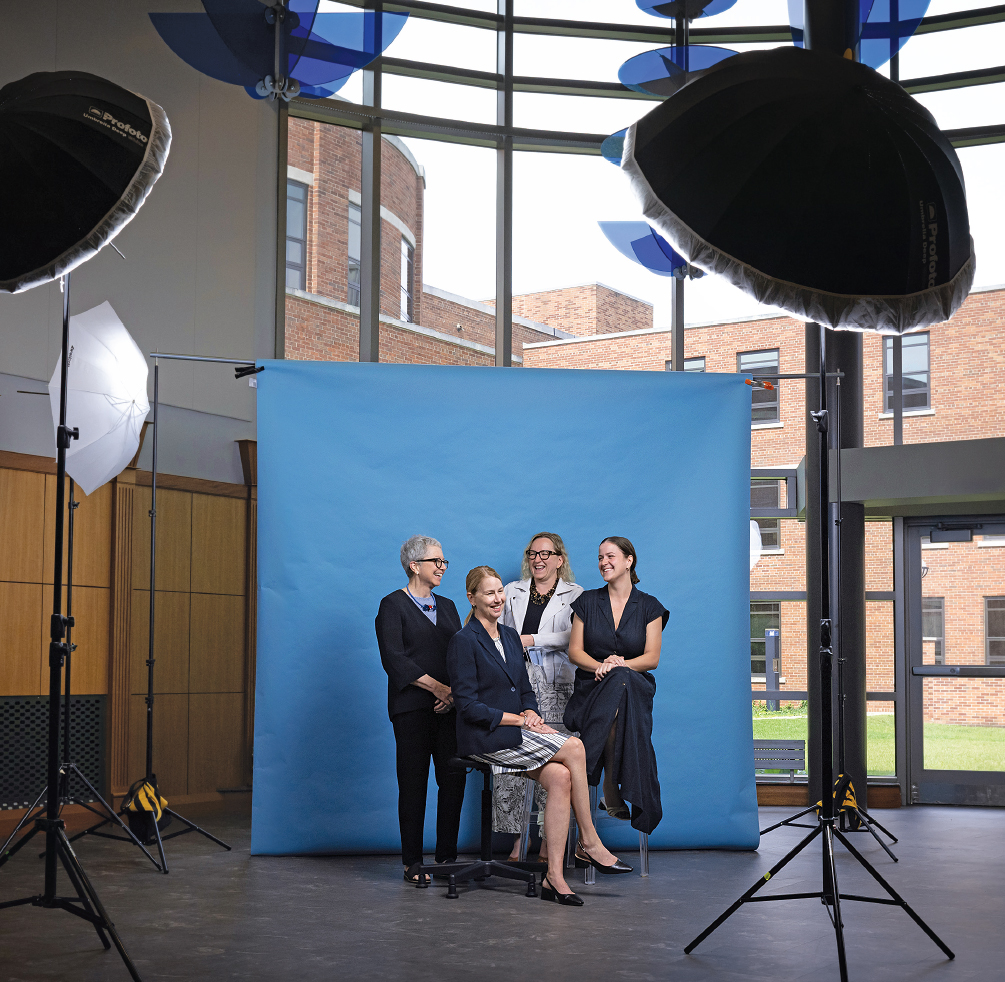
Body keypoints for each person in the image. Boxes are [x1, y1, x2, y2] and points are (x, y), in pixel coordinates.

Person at [448, 565, 631, 907]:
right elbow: (468, 706)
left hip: (515, 731)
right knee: (574, 746)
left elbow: (526, 690)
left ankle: (555, 878)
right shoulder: (463, 641)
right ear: (471, 598)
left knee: (561, 777)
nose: (498, 598)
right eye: (488, 593)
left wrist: (531, 711)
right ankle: (589, 841)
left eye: (500, 591)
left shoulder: (510, 637)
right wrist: (518, 720)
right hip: (485, 737)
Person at [375, 535, 466, 885]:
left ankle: (447, 859)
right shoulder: (392, 605)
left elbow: (460, 654)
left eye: (444, 561)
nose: (442, 567)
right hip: (411, 709)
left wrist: (452, 694)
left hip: (449, 710)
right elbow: (394, 660)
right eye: (436, 561)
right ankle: (412, 862)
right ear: (415, 565)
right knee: (413, 785)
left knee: (453, 783)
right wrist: (437, 688)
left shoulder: (448, 605)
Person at [564, 536, 669, 835]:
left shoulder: (650, 606)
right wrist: (601, 667)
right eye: (599, 557)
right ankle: (612, 786)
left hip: (634, 689)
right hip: (590, 692)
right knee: (617, 684)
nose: (603, 563)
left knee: (621, 680)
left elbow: (651, 659)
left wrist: (616, 666)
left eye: (610, 556)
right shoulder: (587, 602)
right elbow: (575, 652)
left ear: (629, 560)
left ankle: (590, 775)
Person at [497, 533, 583, 862]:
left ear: (560, 559)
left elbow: (573, 636)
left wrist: (531, 639)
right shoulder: (512, 591)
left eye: (546, 553)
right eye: (533, 553)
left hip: (557, 685)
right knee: (516, 757)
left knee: (554, 762)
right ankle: (520, 839)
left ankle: (550, 840)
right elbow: (498, 631)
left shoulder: (576, 595)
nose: (539, 559)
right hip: (516, 684)